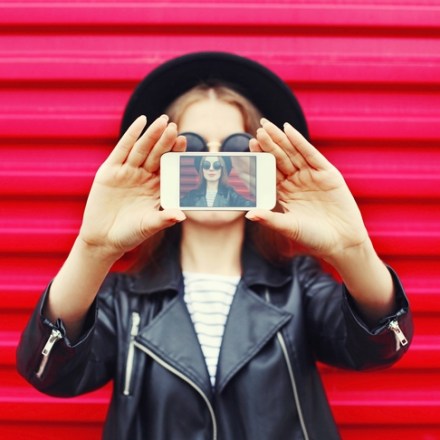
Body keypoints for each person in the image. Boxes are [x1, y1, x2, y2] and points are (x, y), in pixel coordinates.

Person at [16, 52, 413, 440]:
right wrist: (92, 249)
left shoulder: (300, 285)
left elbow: (378, 347)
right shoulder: (122, 300)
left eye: (235, 148)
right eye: (190, 147)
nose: (213, 163)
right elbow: (49, 374)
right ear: (161, 161)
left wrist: (353, 249)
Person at [180, 154, 255, 208]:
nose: (211, 169)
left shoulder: (230, 195)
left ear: (222, 169)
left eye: (217, 165)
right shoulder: (191, 196)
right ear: (202, 169)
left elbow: (251, 206)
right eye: (206, 165)